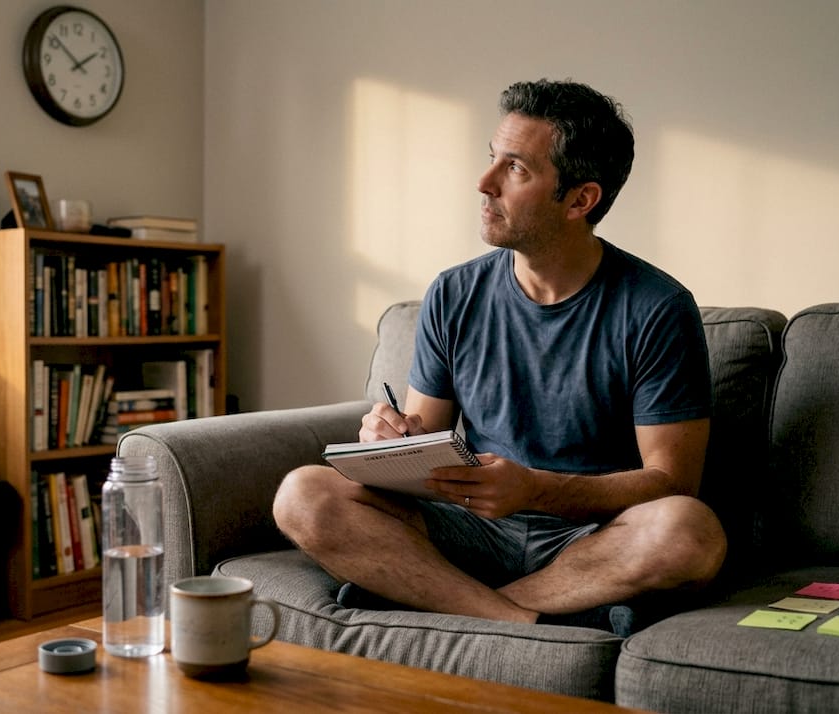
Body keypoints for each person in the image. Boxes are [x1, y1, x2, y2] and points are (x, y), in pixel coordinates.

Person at [272, 79, 726, 634]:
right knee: (303, 494)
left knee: (689, 531)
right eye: (493, 159)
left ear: (581, 200)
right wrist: (392, 441)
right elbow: (427, 445)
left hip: (591, 537)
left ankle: (436, 599)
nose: (483, 183)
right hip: (471, 527)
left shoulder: (657, 307)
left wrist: (535, 488)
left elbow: (673, 483)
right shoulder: (454, 293)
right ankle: (529, 618)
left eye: (516, 169)